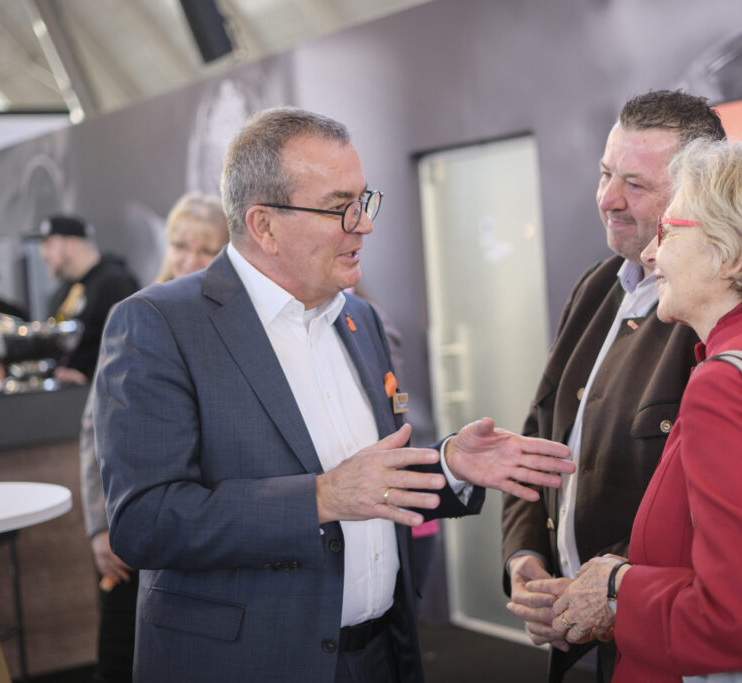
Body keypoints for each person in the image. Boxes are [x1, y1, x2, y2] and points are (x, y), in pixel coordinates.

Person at [93, 106, 574, 683]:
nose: (363, 224)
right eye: (339, 206)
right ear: (264, 225)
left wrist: (449, 465)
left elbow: (370, 484)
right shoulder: (159, 324)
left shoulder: (361, 320)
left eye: (364, 200)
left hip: (380, 654)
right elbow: (145, 522)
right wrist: (321, 498)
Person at [545, 139, 742, 682]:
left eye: (669, 231)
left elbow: (739, 622)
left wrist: (618, 587)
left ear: (734, 253)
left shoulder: (728, 382)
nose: (651, 254)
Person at [500, 90, 726, 682]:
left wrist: (608, 588)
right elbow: (539, 434)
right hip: (579, 641)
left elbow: (721, 509)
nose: (607, 199)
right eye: (605, 174)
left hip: (667, 645)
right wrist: (525, 558)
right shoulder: (597, 286)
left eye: (635, 184)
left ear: (698, 193)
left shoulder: (725, 309)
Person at [79, 192, 229, 682]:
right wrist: (101, 525)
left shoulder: (240, 324)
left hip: (210, 536)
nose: (189, 259)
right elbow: (96, 430)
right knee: (122, 657)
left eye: (205, 249)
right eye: (181, 245)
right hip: (138, 531)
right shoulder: (138, 316)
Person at [35, 214, 140, 384]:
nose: (44, 254)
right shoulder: (62, 293)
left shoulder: (115, 283)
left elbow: (131, 346)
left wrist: (90, 379)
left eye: (49, 245)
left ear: (72, 245)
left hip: (104, 393)